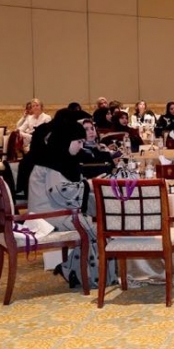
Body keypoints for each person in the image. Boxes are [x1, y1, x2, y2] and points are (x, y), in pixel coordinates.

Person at [28, 117, 116, 289]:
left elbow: (71, 188)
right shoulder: (53, 162)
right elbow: (61, 192)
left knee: (101, 219)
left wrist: (91, 185)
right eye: (78, 142)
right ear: (66, 140)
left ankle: (72, 269)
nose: (81, 146)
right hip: (47, 216)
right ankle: (93, 276)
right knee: (96, 229)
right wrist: (89, 185)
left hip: (55, 210)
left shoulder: (59, 157)